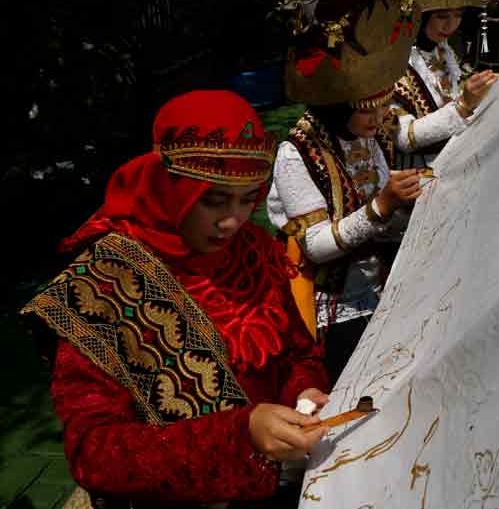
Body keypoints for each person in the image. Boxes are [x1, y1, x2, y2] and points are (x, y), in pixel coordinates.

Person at [21, 90, 330, 508]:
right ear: (171, 186)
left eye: (248, 199)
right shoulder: (104, 283)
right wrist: (237, 435)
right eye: (214, 200)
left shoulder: (253, 251)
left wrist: (305, 393)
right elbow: (93, 451)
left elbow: (299, 352)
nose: (232, 221)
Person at [271, 0, 421, 381]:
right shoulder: (297, 151)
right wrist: (382, 207)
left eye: (382, 105)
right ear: (340, 105)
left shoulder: (369, 135)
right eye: (368, 109)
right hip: (331, 309)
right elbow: (313, 245)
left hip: (384, 289)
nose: (379, 118)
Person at [384, 0, 499, 170]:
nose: (450, 25)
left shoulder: (443, 51)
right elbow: (404, 138)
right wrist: (462, 106)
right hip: (416, 173)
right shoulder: (394, 62)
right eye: (441, 16)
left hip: (455, 161)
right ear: (418, 16)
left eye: (457, 16)